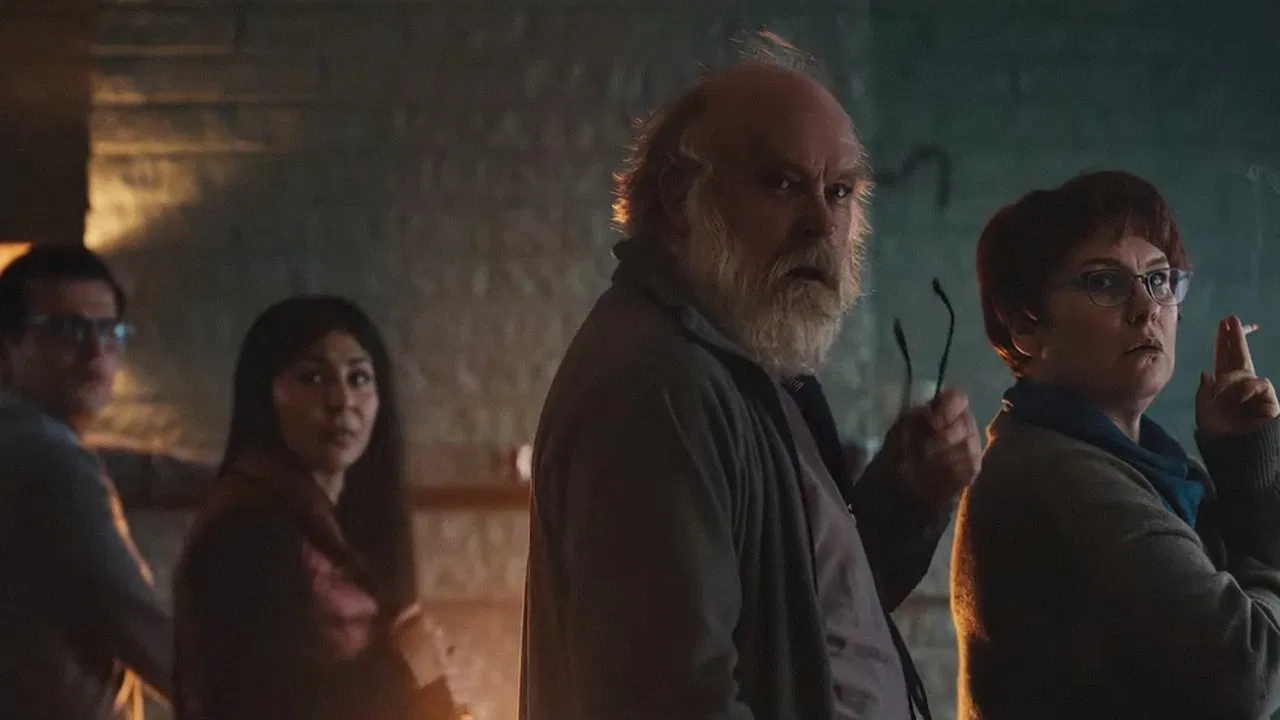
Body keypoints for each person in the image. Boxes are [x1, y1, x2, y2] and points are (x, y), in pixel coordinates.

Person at [520, 50, 981, 720]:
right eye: (783, 184)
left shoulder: (746, 368)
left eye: (839, 191)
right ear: (679, 201)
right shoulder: (659, 386)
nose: (821, 223)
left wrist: (909, 495)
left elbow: (806, 623)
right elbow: (672, 703)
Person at [952, 170, 1280, 718]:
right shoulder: (1056, 474)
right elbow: (1250, 673)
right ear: (1025, 327)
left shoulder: (1142, 465)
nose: (1147, 308)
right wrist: (1254, 501)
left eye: (1159, 279)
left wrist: (1245, 463)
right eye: (1104, 283)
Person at [173, 295, 460, 720]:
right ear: (265, 394)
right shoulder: (243, 529)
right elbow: (259, 706)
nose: (341, 401)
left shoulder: (351, 518)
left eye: (359, 378)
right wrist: (405, 667)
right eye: (312, 377)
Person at [0, 245, 173, 719]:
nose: (96, 350)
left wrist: (244, 472)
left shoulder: (26, 441)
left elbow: (120, 467)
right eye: (67, 329)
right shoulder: (46, 459)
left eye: (109, 330)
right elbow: (144, 631)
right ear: (6, 348)